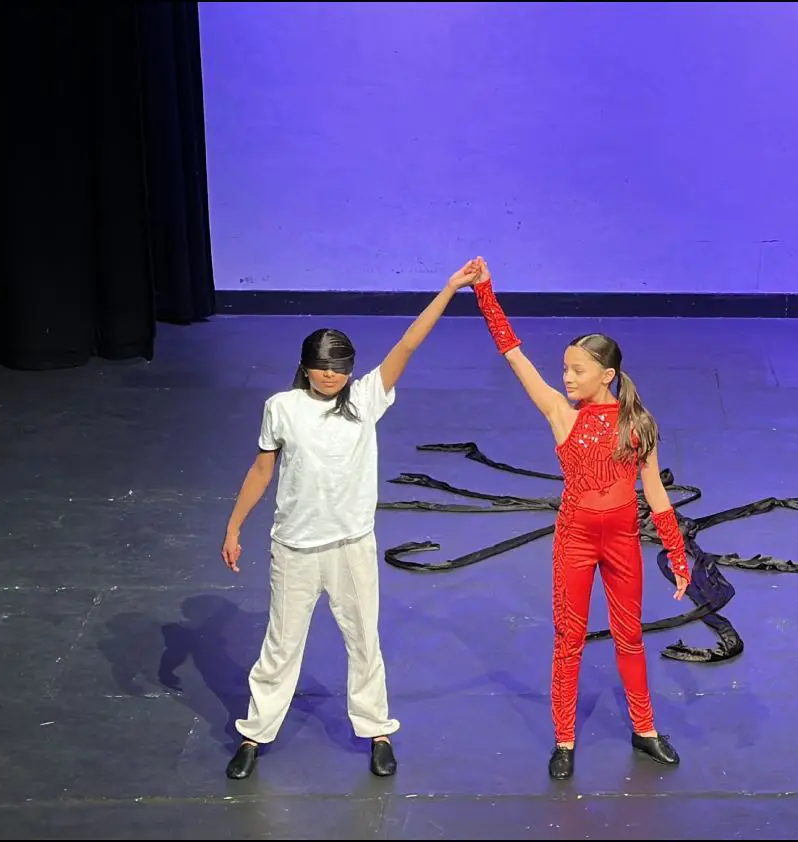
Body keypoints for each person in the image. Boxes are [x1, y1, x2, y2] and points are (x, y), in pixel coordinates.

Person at [219, 259, 481, 780]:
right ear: (306, 367)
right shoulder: (282, 407)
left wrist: (451, 288)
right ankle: (255, 733)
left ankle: (377, 731)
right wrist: (233, 526)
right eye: (322, 367)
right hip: (294, 549)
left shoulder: (365, 400)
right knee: (280, 646)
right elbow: (262, 468)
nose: (331, 375)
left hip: (351, 547)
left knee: (364, 641)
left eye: (340, 368)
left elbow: (408, 344)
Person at [467, 257, 691, 780]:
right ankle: (564, 738)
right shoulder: (560, 414)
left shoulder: (638, 423)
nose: (566, 378)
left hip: (622, 542)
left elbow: (656, 492)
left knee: (630, 636)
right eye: (565, 369)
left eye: (577, 370)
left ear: (606, 376)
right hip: (575, 539)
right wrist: (485, 292)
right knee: (568, 639)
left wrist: (677, 555)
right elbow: (513, 354)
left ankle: (645, 729)